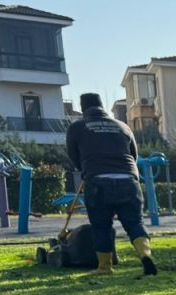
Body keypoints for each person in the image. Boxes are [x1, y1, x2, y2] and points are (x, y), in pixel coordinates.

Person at [66, 93, 157, 275]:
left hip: (98, 180)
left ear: (83, 108)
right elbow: (134, 155)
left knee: (101, 226)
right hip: (129, 180)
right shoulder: (122, 126)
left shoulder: (77, 127)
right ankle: (146, 255)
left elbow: (73, 156)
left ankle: (105, 267)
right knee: (135, 223)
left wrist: (86, 170)